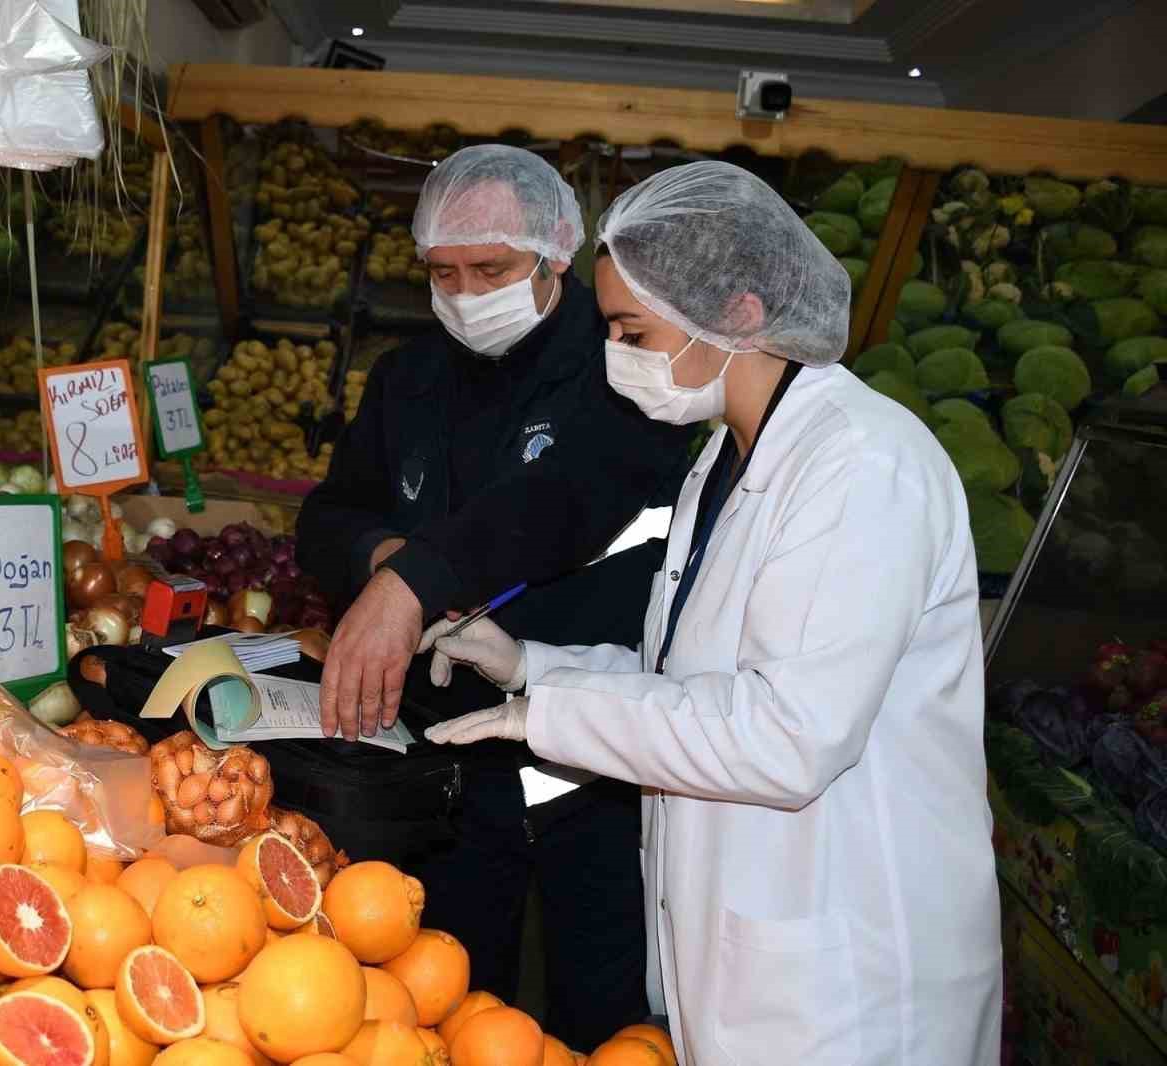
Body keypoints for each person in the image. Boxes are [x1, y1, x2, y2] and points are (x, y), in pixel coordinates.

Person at [424, 160, 1002, 1065]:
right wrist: (531, 665)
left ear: (738, 313)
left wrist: (549, 717)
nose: (617, 356)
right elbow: (688, 683)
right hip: (745, 957)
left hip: (848, 977)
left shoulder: (863, 466)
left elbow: (786, 734)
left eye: (634, 332)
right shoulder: (722, 460)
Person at [297, 144, 688, 1048]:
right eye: (444, 274)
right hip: (439, 754)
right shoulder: (408, 377)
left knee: (602, 1017)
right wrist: (380, 553)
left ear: (556, 255)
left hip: (593, 751)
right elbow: (327, 514)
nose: (467, 294)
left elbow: (557, 504)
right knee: (451, 1004)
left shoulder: (624, 361)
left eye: (492, 270)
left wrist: (413, 581)